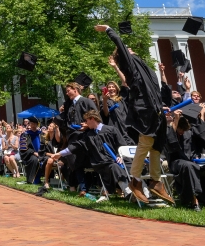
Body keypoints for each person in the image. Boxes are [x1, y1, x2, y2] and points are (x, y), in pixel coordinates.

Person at [94, 24, 174, 204]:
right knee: (146, 142)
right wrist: (109, 30)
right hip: (144, 109)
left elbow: (155, 89)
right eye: (127, 50)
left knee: (157, 145)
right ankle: (135, 180)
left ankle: (155, 181)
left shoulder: (143, 67)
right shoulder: (130, 66)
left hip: (156, 109)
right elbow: (120, 44)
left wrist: (161, 106)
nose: (130, 49)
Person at [50, 110, 131, 202]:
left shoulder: (111, 130)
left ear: (92, 119)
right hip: (102, 163)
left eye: (86, 121)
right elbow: (76, 146)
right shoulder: (89, 136)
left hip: (119, 159)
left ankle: (145, 195)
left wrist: (120, 156)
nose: (85, 123)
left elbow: (122, 146)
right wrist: (59, 154)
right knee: (114, 167)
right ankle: (130, 193)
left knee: (132, 168)